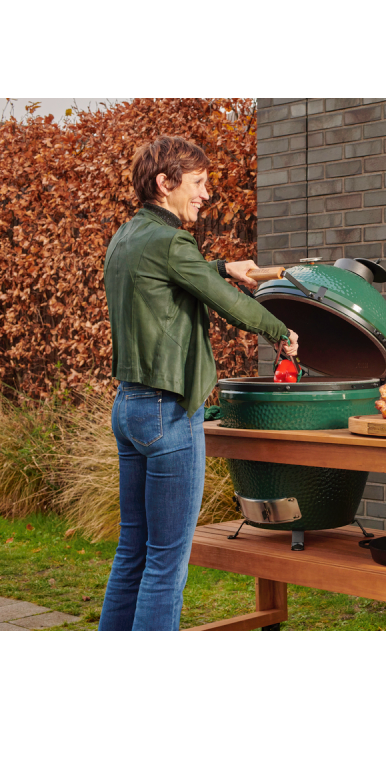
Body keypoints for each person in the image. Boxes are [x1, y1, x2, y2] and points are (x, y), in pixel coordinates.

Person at [99, 135, 298, 631]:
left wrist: (222, 267)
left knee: (133, 552)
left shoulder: (127, 236)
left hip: (129, 408)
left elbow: (170, 276)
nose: (206, 194)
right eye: (198, 183)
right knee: (167, 561)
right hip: (168, 413)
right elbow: (227, 303)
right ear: (165, 185)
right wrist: (282, 332)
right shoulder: (171, 241)